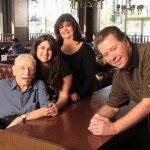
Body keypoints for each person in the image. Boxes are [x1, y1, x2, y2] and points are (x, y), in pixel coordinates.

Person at [88, 26, 150, 149]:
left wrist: (113, 128)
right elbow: (112, 107)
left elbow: (148, 103)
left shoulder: (148, 53)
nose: (112, 57)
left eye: (114, 48)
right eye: (106, 54)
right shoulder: (119, 74)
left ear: (126, 42)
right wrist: (97, 119)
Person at [0, 54, 52, 129]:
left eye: (30, 69)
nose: (27, 72)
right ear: (14, 71)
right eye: (22, 68)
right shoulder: (2, 85)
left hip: (28, 125)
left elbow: (46, 110)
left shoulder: (39, 85)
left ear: (34, 73)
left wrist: (21, 118)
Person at [54, 13, 96, 101]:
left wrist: (79, 94)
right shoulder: (56, 49)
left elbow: (90, 77)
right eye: (61, 27)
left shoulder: (86, 49)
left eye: (68, 25)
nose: (65, 29)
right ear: (58, 31)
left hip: (82, 97)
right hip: (60, 96)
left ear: (74, 27)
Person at [32, 34, 72, 116]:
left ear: (54, 52)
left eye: (49, 49)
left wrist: (56, 106)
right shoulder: (30, 64)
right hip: (33, 108)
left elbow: (64, 96)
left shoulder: (63, 67)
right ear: (36, 49)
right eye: (42, 48)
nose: (45, 52)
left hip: (55, 106)